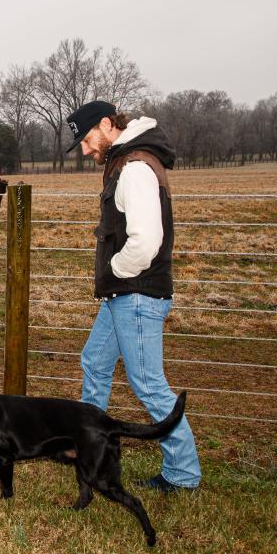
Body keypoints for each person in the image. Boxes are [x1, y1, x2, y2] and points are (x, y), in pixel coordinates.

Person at [66, 100, 201, 493]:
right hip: (124, 295)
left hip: (137, 294)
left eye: (88, 140)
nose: (87, 150)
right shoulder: (126, 162)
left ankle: (183, 473)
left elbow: (145, 241)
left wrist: (115, 272)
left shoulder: (135, 169)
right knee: (94, 361)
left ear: (108, 125)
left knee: (147, 384)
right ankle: (92, 447)